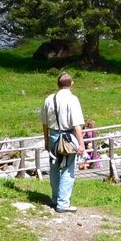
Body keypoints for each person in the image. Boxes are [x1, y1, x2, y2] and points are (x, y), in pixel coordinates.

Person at [40, 71, 86, 213]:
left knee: (54, 167)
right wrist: (81, 144)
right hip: (67, 137)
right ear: (72, 84)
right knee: (68, 168)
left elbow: (44, 122)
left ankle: (55, 199)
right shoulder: (73, 100)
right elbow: (76, 125)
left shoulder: (50, 99)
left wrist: (46, 139)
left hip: (53, 135)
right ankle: (63, 203)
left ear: (57, 84)